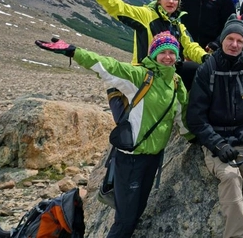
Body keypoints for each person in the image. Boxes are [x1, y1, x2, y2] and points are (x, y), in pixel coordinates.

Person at [35, 32, 189, 238]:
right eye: (163, 52)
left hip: (153, 159)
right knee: (125, 220)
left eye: (172, 52)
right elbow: (108, 65)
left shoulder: (176, 82)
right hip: (131, 160)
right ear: (153, 54)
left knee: (137, 212)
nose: (168, 57)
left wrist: (199, 139)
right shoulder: (140, 76)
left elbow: (182, 116)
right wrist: (74, 52)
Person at [186, 16, 243, 238]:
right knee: (231, 179)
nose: (234, 44)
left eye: (239, 40)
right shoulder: (207, 71)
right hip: (218, 145)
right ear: (223, 39)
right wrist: (217, 144)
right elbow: (196, 118)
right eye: (230, 38)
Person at [78, 0, 207, 90]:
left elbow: (191, 46)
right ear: (159, 0)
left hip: (168, 70)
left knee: (199, 71)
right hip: (146, 72)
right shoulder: (146, 15)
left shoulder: (176, 24)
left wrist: (205, 58)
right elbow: (118, 8)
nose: (171, 1)